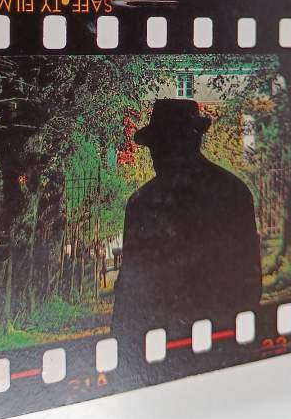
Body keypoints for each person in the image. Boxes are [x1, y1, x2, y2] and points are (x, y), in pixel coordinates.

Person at [111, 99, 261, 359]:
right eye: (155, 147)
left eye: (160, 145)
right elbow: (250, 284)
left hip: (165, 351)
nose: (155, 155)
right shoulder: (234, 192)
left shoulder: (142, 204)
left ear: (186, 143)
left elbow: (130, 297)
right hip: (224, 345)